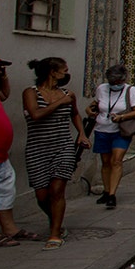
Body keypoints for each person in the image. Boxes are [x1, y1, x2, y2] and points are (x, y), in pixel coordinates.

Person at [22, 58, 90, 248]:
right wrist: (61, 102)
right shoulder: (31, 93)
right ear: (52, 72)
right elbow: (35, 115)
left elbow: (75, 113)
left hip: (63, 147)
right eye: (64, 70)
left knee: (57, 190)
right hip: (37, 149)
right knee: (42, 196)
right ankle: (56, 222)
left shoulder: (68, 94)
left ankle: (54, 234)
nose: (66, 74)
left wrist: (81, 134)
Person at [87, 64, 135, 210]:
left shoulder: (131, 91)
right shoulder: (102, 89)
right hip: (102, 129)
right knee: (105, 161)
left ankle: (112, 195)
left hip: (121, 131)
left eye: (118, 82)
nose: (116, 85)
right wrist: (89, 109)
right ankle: (106, 191)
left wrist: (122, 116)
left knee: (116, 160)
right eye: (113, 82)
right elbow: (96, 103)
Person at [0, 53, 31, 248]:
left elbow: (5, 94)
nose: (0, 71)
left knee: (5, 191)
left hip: (0, 155)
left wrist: (3, 77)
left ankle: (9, 228)